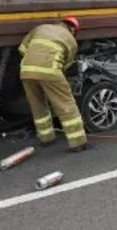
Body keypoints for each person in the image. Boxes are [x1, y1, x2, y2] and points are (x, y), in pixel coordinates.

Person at [18, 17, 89, 151]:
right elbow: (66, 65)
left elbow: (22, 49)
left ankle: (46, 138)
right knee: (65, 104)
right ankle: (78, 142)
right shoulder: (71, 40)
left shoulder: (40, 28)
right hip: (49, 71)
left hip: (26, 71)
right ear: (73, 29)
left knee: (37, 104)